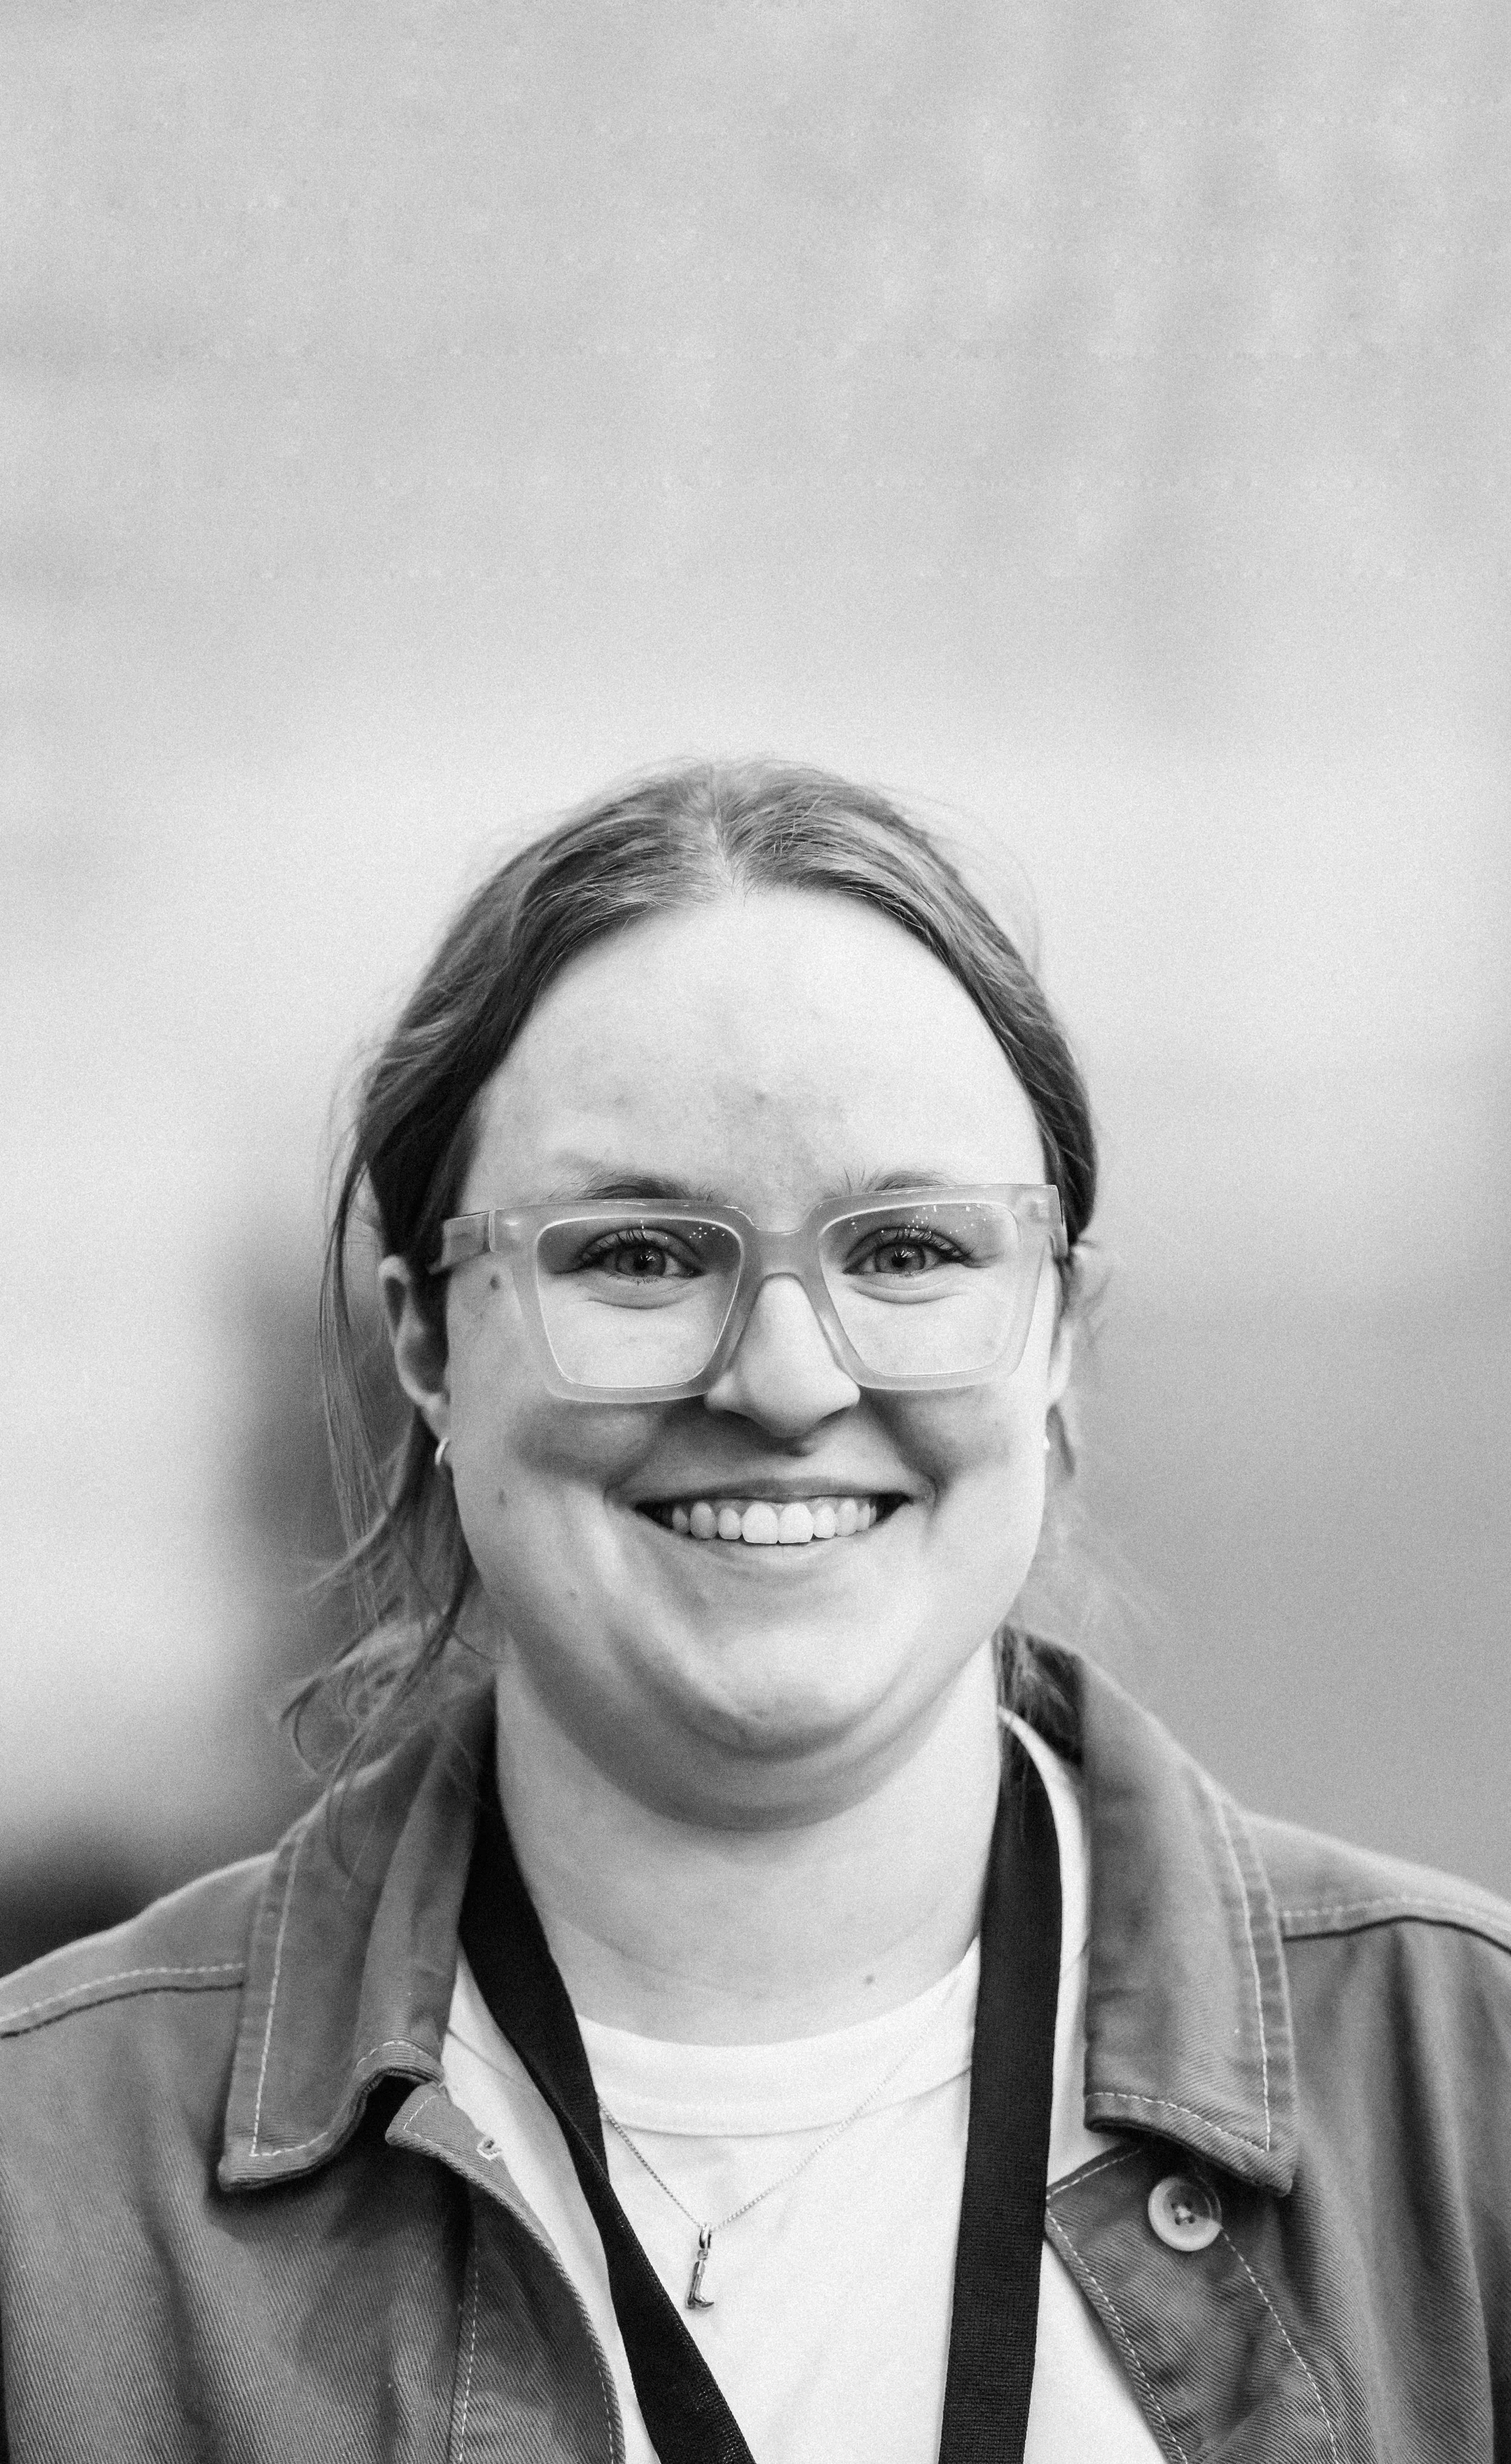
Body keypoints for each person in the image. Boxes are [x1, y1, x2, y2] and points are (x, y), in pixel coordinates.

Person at [1, 759, 1507, 2463]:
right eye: (638, 1255)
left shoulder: (1465, 2099)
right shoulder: (52, 2201)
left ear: (1060, 1332)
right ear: (425, 1342)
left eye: (908, 1250)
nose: (786, 1379)